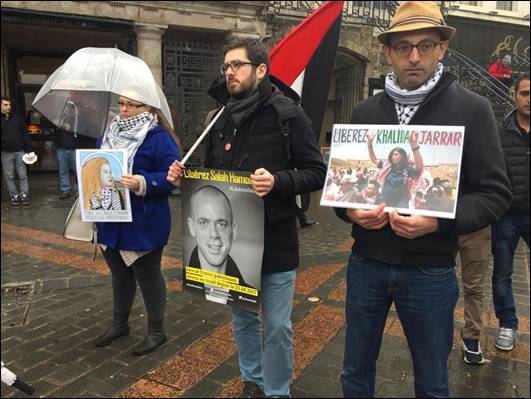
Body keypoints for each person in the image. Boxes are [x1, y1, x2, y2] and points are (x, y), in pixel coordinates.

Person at [334, 2, 511, 397]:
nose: (414, 56)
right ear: (388, 52)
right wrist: (350, 211)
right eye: (403, 47)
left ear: (442, 48)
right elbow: (340, 195)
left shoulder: (473, 109)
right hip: (367, 264)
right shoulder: (364, 111)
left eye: (425, 45)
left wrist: (439, 220)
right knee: (355, 372)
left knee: (432, 381)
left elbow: (496, 194)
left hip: (429, 271)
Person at [167, 37, 326, 398]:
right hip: (234, 245)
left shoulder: (288, 115)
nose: (229, 73)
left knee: (278, 327)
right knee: (242, 319)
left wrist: (279, 181)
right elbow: (208, 173)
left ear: (260, 70)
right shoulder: (216, 118)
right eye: (226, 67)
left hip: (277, 242)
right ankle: (251, 379)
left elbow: (317, 172)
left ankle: (277, 390)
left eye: (237, 65)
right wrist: (183, 175)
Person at [93, 94, 180, 357]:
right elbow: (95, 164)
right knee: (119, 275)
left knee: (148, 276)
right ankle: (120, 324)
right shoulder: (109, 131)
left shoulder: (159, 137)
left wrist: (142, 182)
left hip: (143, 221)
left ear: (148, 107)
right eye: (121, 103)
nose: (124, 109)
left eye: (132, 104)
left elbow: (171, 178)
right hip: (110, 219)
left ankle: (156, 331)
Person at [491, 72, 530, 351]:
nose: (529, 99)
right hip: (506, 215)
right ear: (514, 95)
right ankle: (507, 324)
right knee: (502, 273)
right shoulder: (498, 131)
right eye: (525, 93)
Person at [186, 185, 255, 305]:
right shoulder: (184, 285)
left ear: (234, 230)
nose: (214, 234)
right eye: (203, 223)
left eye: (221, 224)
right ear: (192, 227)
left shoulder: (249, 295)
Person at [457, 226, 492, 365]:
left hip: (477, 226)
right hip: (440, 223)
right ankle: (433, 331)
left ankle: (471, 336)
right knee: (435, 280)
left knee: (474, 288)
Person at [368, 132, 423, 208]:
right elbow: (373, 159)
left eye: (396, 154)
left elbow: (419, 168)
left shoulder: (408, 168)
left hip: (400, 203)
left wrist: (414, 145)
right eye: (392, 155)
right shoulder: (388, 167)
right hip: (384, 200)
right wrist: (369, 144)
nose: (393, 157)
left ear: (403, 156)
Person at [1, 97, 33, 206]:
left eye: (9, 104)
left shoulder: (17, 117)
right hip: (5, 152)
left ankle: (24, 194)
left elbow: (25, 134)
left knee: (22, 174)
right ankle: (14, 195)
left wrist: (28, 149)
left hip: (20, 151)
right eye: (5, 105)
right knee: (9, 176)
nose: (8, 107)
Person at [54, 102, 79, 199]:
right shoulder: (58, 120)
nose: (67, 110)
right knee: (63, 171)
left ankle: (78, 190)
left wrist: (69, 126)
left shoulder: (76, 119)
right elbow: (45, 121)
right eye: (65, 108)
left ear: (72, 109)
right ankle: (65, 190)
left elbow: (82, 128)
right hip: (61, 149)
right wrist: (62, 124)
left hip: (74, 148)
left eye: (68, 108)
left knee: (77, 171)